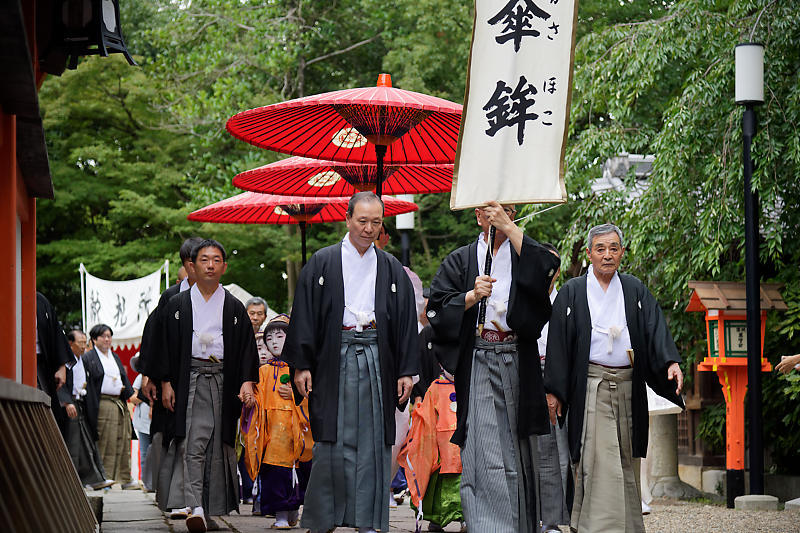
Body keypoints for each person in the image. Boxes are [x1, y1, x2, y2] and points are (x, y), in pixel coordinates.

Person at [283, 191, 419, 533]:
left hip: (376, 356)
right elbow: (305, 315)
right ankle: (324, 517)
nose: (369, 228)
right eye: (362, 221)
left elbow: (404, 323)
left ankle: (368, 519)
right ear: (347, 220)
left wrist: (406, 370)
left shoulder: (390, 268)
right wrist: (302, 365)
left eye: (376, 222)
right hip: (334, 357)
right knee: (332, 437)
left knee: (374, 441)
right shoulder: (323, 261)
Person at [427, 201, 560, 533]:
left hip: (519, 356)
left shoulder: (523, 253)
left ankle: (523, 524)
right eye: (492, 211)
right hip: (481, 357)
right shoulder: (460, 259)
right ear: (477, 215)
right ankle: (491, 526)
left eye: (509, 211)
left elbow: (547, 269)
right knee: (486, 445)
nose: (501, 216)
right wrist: (471, 296)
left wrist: (511, 229)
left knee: (521, 444)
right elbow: (436, 311)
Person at [544, 223, 684, 533]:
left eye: (613, 248)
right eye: (600, 249)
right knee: (598, 454)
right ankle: (603, 527)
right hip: (590, 385)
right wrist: (553, 390)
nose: (607, 255)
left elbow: (654, 329)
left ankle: (626, 524)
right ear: (590, 255)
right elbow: (558, 344)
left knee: (624, 455)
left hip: (627, 385)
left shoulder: (634, 289)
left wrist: (671, 362)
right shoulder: (572, 291)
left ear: (622, 252)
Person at [161, 239, 259, 533]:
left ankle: (209, 508)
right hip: (189, 378)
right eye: (204, 260)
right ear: (192, 265)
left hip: (223, 379)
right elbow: (164, 347)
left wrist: (246, 382)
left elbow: (245, 349)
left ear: (224, 267)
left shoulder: (233, 306)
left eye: (216, 260)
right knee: (192, 443)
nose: (210, 265)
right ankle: (196, 506)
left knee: (220, 445)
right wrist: (166, 382)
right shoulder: (177, 304)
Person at [142, 236, 203, 518]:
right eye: (203, 260)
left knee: (202, 436)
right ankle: (175, 497)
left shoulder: (217, 294)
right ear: (189, 265)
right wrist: (156, 377)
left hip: (206, 374)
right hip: (175, 376)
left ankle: (201, 500)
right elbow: (156, 338)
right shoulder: (171, 297)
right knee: (174, 436)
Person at [242, 314, 313, 529]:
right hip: (270, 432)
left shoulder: (301, 371)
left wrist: (295, 394)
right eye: (269, 338)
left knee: (297, 474)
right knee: (274, 474)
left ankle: (292, 513)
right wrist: (251, 400)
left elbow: (312, 398)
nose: (273, 342)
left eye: (280, 336)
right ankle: (281, 516)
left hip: (296, 430)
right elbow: (256, 397)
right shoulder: (262, 371)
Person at [534, 243, 571, 533]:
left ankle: (554, 518)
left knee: (558, 452)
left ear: (557, 272)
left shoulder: (566, 303)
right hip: (524, 373)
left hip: (558, 376)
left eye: (551, 267)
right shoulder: (523, 299)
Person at [400, 372, 465, 532]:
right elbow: (426, 417)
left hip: (463, 447)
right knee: (438, 487)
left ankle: (466, 518)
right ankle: (435, 520)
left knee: (463, 485)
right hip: (440, 451)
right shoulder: (436, 387)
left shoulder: (468, 383)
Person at [82, 324, 138, 490]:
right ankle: (103, 477)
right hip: (102, 403)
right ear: (94, 339)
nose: (107, 339)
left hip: (118, 402)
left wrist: (130, 395)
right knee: (105, 440)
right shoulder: (89, 357)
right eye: (103, 336)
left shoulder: (114, 357)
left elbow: (123, 378)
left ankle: (124, 477)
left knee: (122, 439)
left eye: (109, 336)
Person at [62, 329, 114, 490]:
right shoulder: (65, 361)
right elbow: (60, 383)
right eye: (80, 343)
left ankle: (93, 479)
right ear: (70, 344)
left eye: (85, 343)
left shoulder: (82, 360)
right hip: (69, 405)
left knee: (86, 442)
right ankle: (71, 480)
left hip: (81, 404)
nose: (84, 346)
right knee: (73, 443)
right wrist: (66, 401)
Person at [36, 292, 74, 439]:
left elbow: (55, 332)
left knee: (47, 411)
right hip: (13, 361)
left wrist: (61, 366)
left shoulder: (40, 300)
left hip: (41, 364)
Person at [129, 355, 153, 491]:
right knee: (145, 453)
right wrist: (145, 396)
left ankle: (154, 482)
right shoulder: (140, 378)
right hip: (143, 420)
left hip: (155, 419)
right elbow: (133, 398)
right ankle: (146, 481)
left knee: (155, 452)